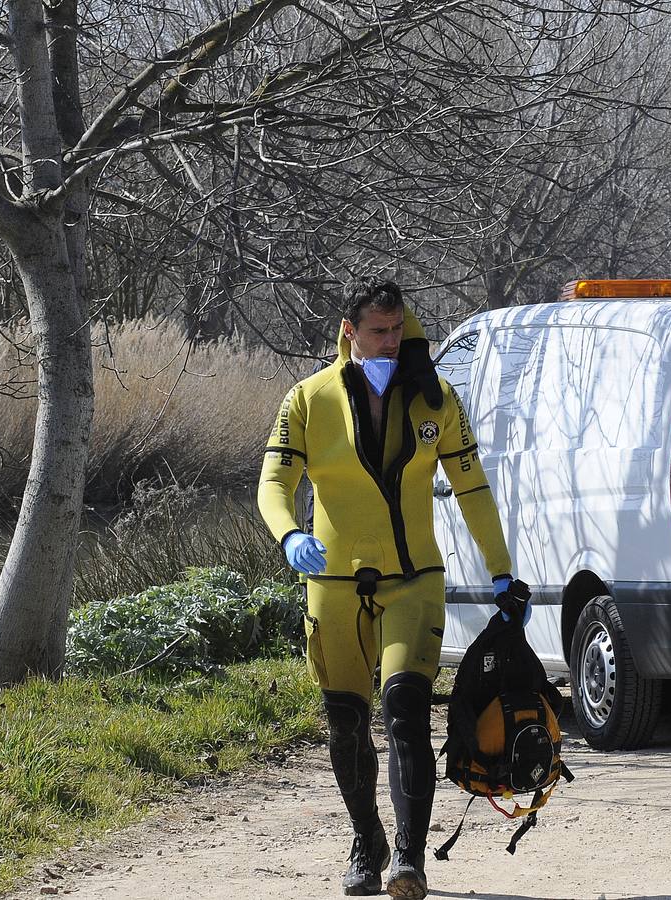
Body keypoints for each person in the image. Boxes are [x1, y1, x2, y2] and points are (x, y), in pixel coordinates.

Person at [257, 280, 516, 899]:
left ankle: (408, 854)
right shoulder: (308, 400)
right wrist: (290, 535)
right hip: (334, 583)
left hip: (414, 581)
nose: (391, 343)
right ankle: (365, 836)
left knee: (404, 710)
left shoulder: (435, 399)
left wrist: (502, 569)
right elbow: (272, 483)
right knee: (345, 721)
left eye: (398, 330)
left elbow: (472, 488)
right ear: (349, 330)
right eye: (378, 332)